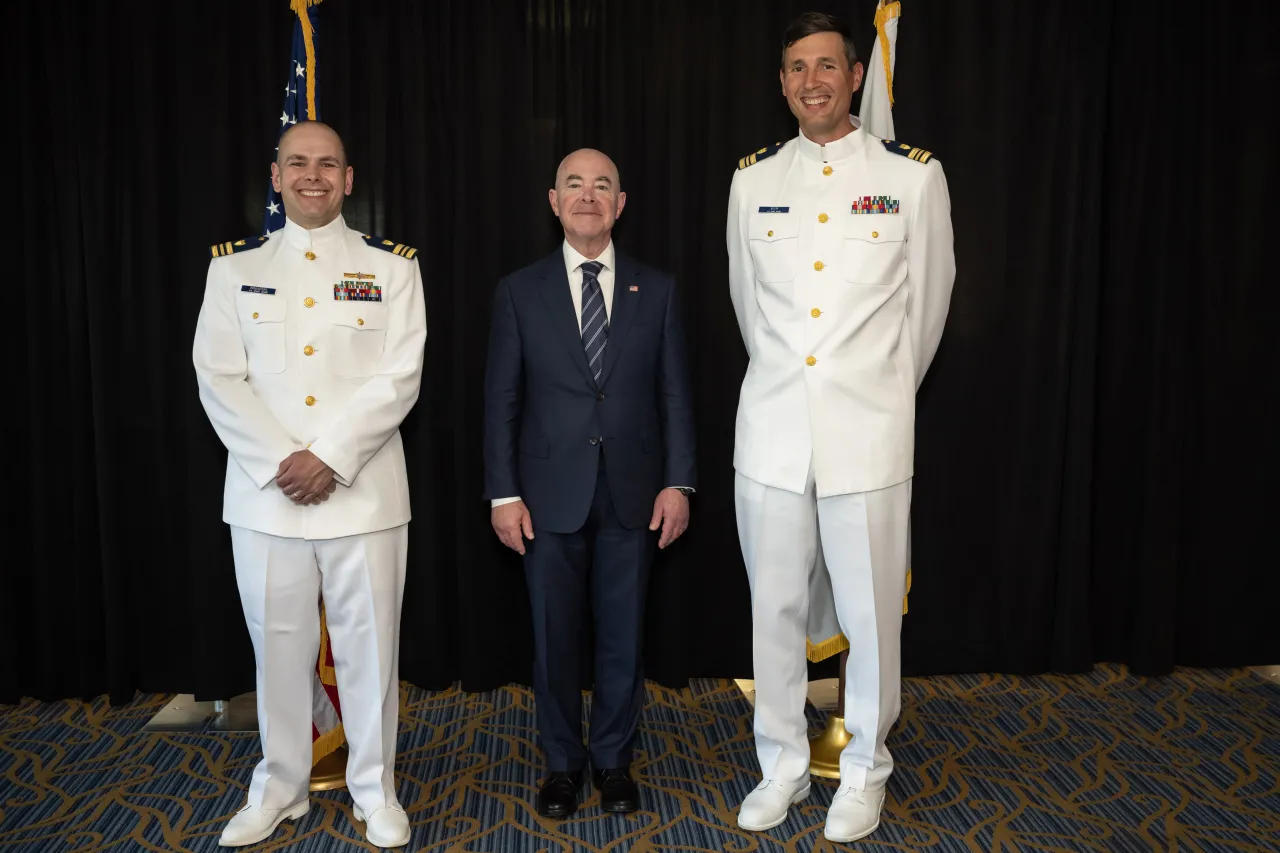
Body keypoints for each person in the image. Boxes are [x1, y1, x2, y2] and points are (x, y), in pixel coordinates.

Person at [725, 11, 956, 844]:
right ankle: (779, 763)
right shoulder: (752, 181)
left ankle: (865, 768)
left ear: (855, 76)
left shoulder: (914, 179)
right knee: (775, 609)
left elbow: (924, 317)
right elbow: (751, 313)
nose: (811, 81)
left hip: (868, 436)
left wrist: (877, 397)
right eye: (796, 68)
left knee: (868, 618)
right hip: (774, 437)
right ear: (782, 83)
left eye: (826, 65)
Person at [192, 120, 427, 849]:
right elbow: (217, 376)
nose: (313, 175)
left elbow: (401, 375)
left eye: (328, 164)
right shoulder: (232, 271)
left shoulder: (393, 269)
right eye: (298, 163)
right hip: (267, 498)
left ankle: (374, 788)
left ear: (350, 180)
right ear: (276, 176)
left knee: (370, 650)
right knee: (278, 650)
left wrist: (328, 455)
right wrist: (282, 460)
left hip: (363, 492)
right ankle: (281, 786)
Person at [483, 148, 697, 819]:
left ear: (621, 202)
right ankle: (560, 764)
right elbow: (501, 400)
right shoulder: (519, 291)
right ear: (553, 201)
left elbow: (676, 396)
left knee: (622, 635)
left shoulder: (655, 289)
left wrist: (680, 484)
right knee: (553, 637)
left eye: (602, 185)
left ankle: (612, 759)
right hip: (546, 496)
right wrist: (502, 492)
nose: (588, 195)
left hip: (634, 493)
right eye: (574, 184)